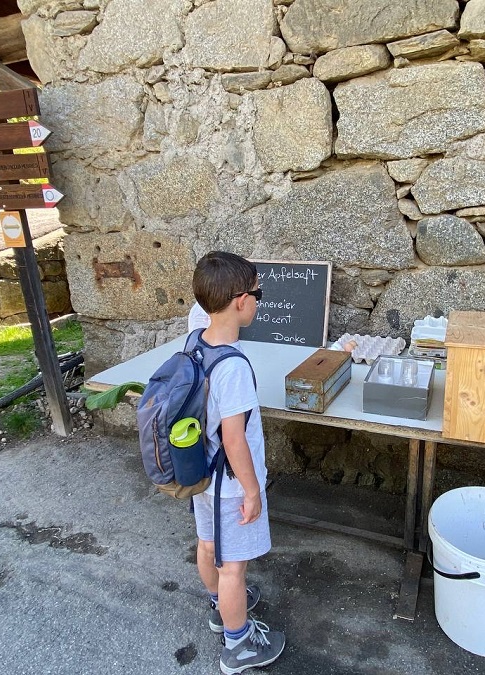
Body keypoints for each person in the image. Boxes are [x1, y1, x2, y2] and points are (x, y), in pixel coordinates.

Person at [190, 251, 285, 674]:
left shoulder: (196, 341)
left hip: (202, 475)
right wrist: (252, 491)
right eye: (259, 293)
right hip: (230, 484)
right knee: (234, 568)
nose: (261, 301)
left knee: (209, 546)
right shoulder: (235, 368)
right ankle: (239, 645)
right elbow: (235, 438)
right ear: (241, 301)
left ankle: (219, 608)